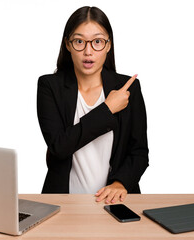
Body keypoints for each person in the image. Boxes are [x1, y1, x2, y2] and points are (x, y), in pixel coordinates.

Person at [37, 6, 149, 204]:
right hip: (63, 203)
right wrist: (107, 109)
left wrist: (120, 183)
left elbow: (139, 152)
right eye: (79, 41)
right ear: (68, 45)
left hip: (115, 201)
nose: (88, 52)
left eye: (97, 41)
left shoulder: (127, 89)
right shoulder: (49, 86)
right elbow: (59, 147)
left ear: (108, 45)